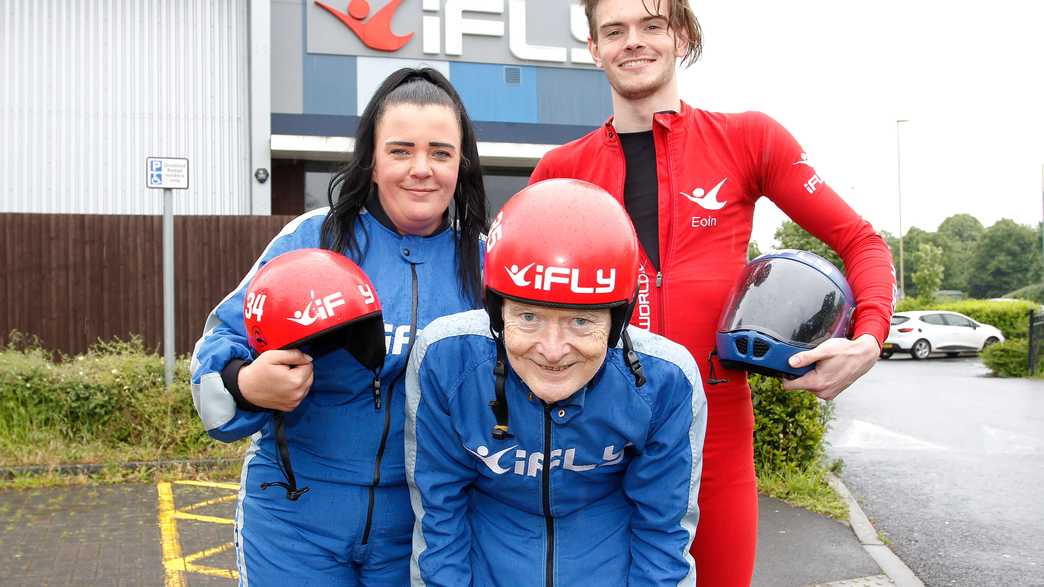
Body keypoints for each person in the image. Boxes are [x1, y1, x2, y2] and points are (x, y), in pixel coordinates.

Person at [529, 1, 896, 584]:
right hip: (593, 441)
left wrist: (868, 339)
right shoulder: (559, 171)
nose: (634, 42)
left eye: (652, 25)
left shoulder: (748, 139)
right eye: (614, 31)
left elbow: (862, 242)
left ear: (680, 34)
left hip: (718, 437)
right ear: (595, 49)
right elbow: (517, 307)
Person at [189, 67, 488, 585]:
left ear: (461, 165)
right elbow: (218, 350)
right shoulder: (312, 239)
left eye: (440, 152)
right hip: (293, 515)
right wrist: (247, 384)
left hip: (421, 526)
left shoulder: (488, 262)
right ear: (372, 163)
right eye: (400, 151)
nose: (421, 169)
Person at [405, 179, 707, 586]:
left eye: (581, 321)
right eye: (528, 317)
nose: (552, 350)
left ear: (617, 322)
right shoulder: (445, 360)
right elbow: (440, 520)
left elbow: (663, 537)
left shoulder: (667, 381)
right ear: (497, 312)